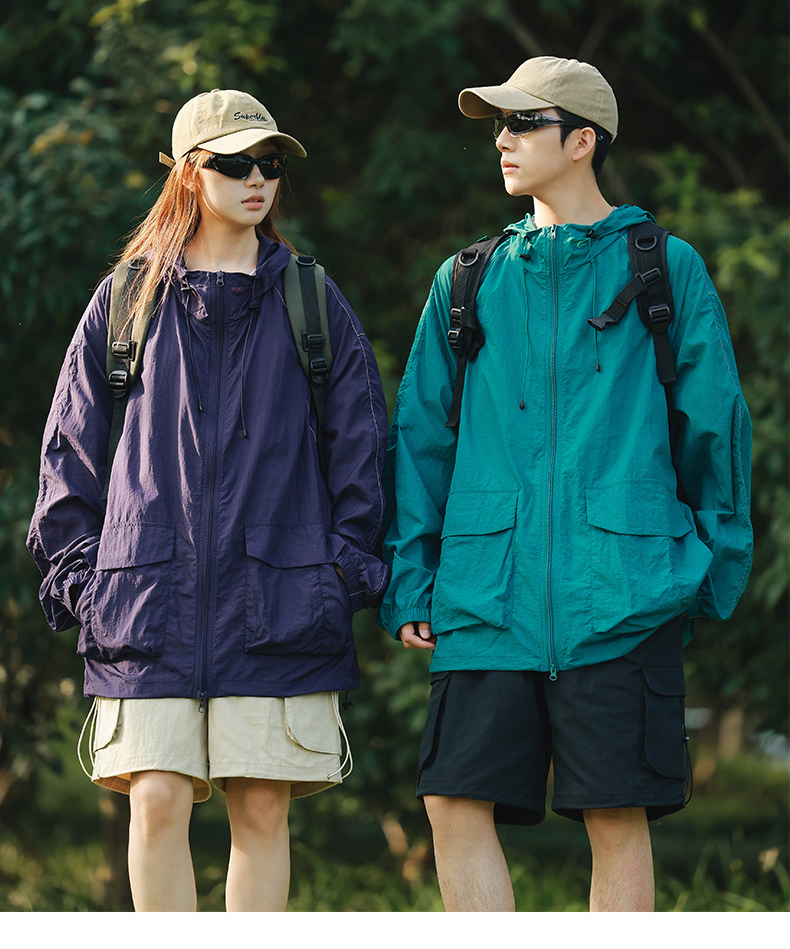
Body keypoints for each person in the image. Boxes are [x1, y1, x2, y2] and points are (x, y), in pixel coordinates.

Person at [377, 56, 752, 911]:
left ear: (583, 141)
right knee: (451, 804)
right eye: (498, 126)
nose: (501, 141)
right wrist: (413, 577)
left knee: (616, 815)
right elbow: (423, 438)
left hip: (626, 590)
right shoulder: (466, 277)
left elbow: (714, 428)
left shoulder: (665, 266)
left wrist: (705, 566)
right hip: (486, 592)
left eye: (522, 123)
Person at [27, 88, 389, 911]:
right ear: (190, 173)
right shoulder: (127, 299)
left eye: (271, 163)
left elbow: (363, 454)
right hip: (144, 603)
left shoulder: (311, 299)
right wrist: (85, 583)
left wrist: (339, 573)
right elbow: (69, 456)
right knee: (156, 801)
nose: (257, 179)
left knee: (260, 809)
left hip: (282, 602)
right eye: (235, 164)